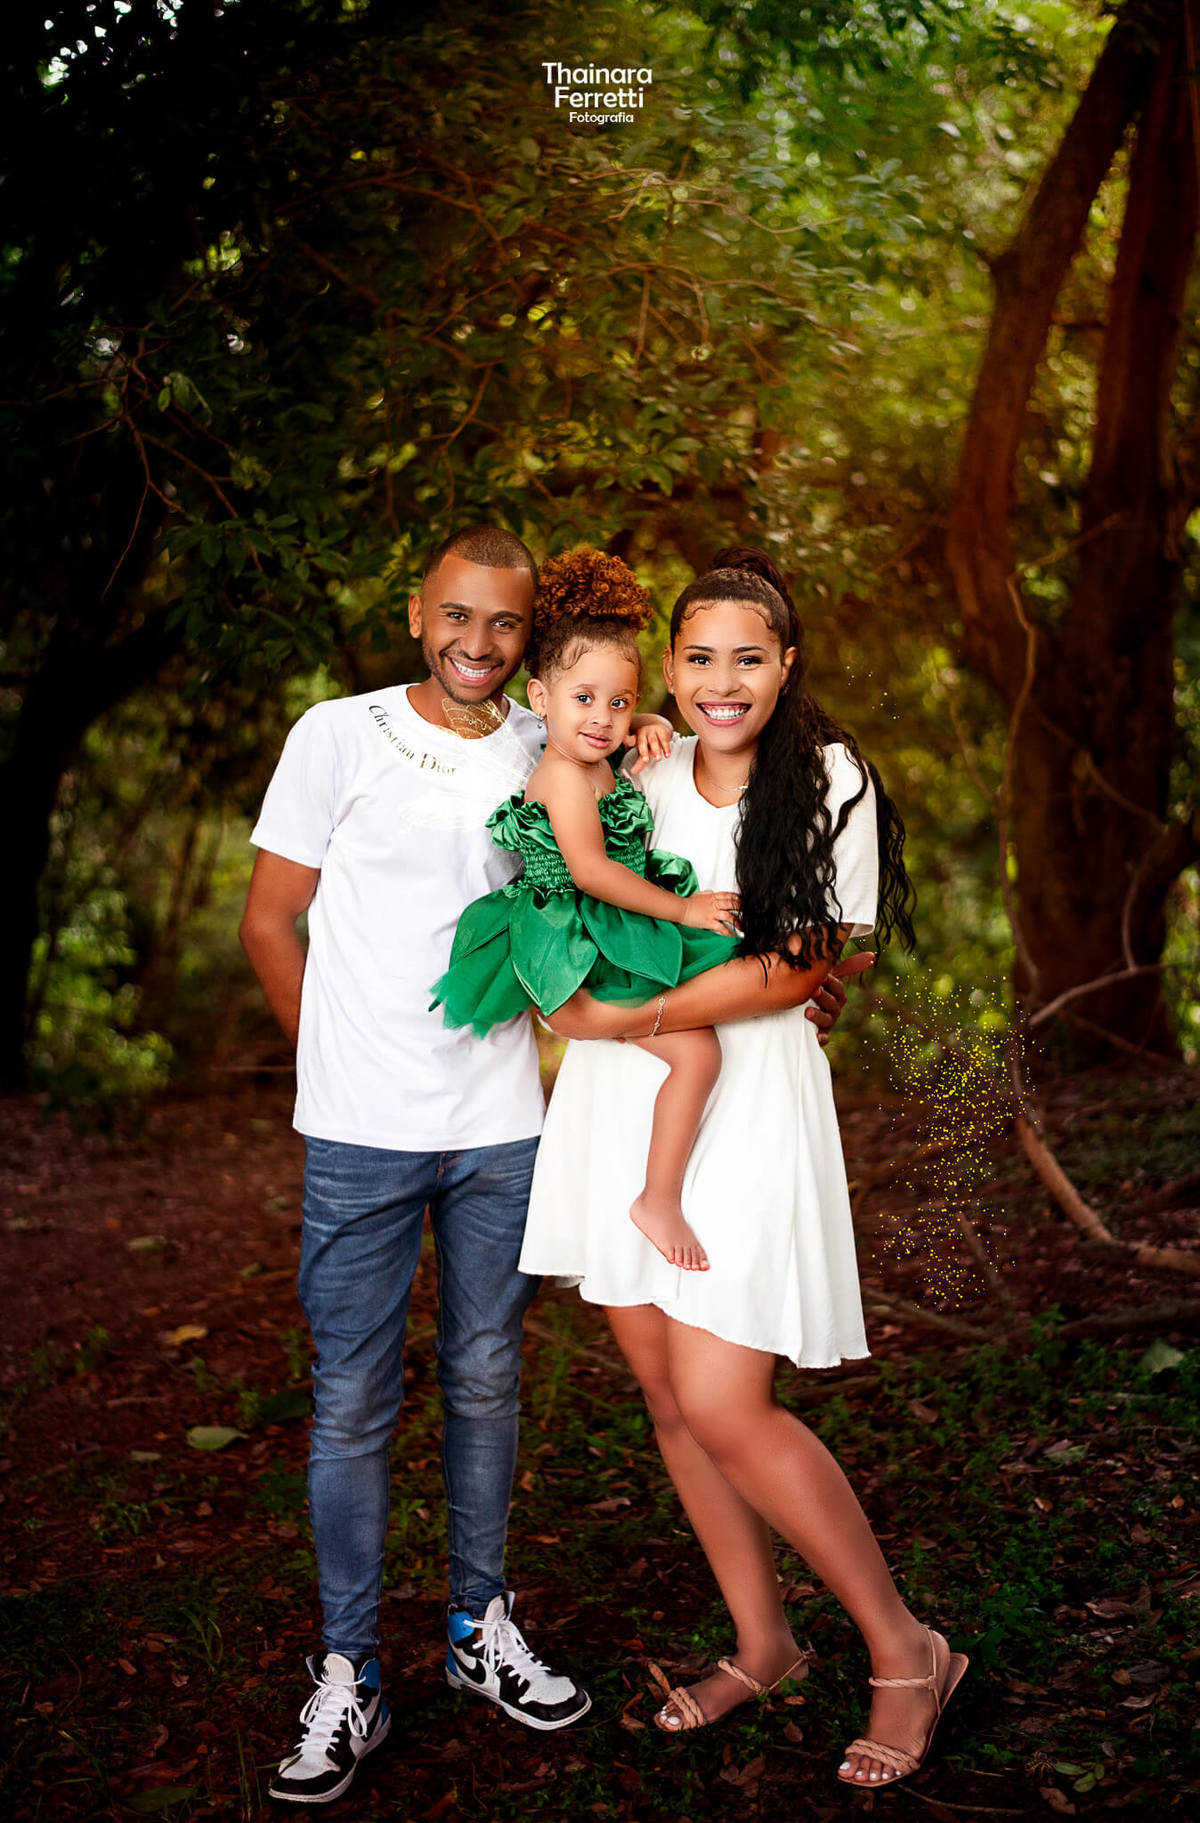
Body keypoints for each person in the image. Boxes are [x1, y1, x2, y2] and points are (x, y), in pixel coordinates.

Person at [520, 552, 969, 1789]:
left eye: (749, 658)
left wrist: (635, 1016)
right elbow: (567, 863)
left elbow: (806, 962)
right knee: (671, 1399)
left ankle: (907, 1650)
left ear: (787, 664)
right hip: (622, 1105)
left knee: (727, 1401)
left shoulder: (828, 778)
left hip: (743, 1097)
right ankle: (764, 1641)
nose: (724, 681)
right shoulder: (637, 765)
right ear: (669, 667)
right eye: (700, 657)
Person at [239, 527, 591, 1807]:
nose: (477, 642)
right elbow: (269, 918)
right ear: (415, 613)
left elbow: (617, 858)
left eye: (504, 622)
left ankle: (478, 1628)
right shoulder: (337, 734)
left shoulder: (547, 741)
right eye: (457, 614)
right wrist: (333, 1066)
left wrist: (645, 732)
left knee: (488, 1376)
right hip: (360, 1134)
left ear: (528, 634)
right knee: (351, 1399)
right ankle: (351, 1669)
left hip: (500, 1125)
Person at [433, 548, 744, 1273]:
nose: (603, 718)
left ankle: (811, 984)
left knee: (719, 1001)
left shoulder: (593, 749)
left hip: (605, 920)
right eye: (584, 700)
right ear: (540, 698)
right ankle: (657, 1199)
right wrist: (682, 910)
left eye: (620, 702)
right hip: (575, 933)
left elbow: (612, 726)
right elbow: (592, 871)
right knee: (699, 1049)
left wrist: (651, 722)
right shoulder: (563, 776)